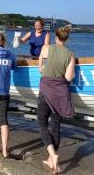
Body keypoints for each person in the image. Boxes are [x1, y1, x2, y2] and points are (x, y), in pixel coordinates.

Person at [38, 26, 75, 174]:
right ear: (66, 38)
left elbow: (40, 67)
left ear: (56, 37)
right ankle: (52, 161)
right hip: (61, 93)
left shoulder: (46, 48)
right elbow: (68, 78)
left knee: (41, 122)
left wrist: (44, 68)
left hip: (46, 90)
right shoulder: (70, 54)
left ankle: (52, 155)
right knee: (55, 126)